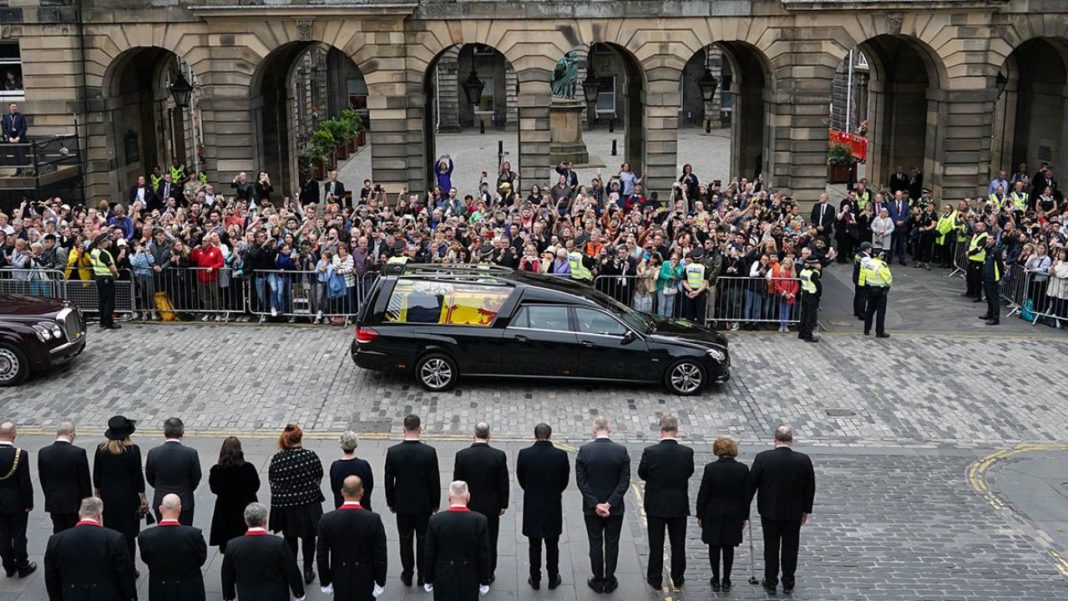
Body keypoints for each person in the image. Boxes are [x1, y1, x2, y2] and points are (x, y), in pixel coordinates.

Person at [747, 426, 816, 595]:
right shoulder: (803, 460)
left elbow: (751, 484)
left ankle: (770, 582)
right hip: (794, 512)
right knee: (791, 547)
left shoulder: (763, 458)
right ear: (791, 441)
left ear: (774, 440)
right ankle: (788, 582)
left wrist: (745, 504)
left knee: (771, 547)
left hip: (769, 511)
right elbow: (810, 487)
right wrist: (806, 510)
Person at [638, 414, 695, 590]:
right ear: (676, 430)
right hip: (678, 504)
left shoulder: (650, 452)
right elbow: (689, 472)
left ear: (661, 429)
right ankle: (678, 577)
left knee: (656, 544)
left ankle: (654, 578)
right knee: (678, 544)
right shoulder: (687, 452)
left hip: (655, 504)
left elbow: (642, 474)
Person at [575, 416, 630, 594]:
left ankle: (598, 580)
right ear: (610, 429)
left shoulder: (584, 451)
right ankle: (610, 579)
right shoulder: (621, 451)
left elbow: (581, 482)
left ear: (593, 431)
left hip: (592, 509)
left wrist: (596, 504)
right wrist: (609, 504)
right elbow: (624, 482)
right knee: (612, 543)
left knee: (595, 542)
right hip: (615, 509)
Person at [384, 414, 440, 587]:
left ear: (403, 429)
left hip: (403, 504)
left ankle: (407, 574)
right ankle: (423, 575)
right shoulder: (429, 452)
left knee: (405, 539)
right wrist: (435, 503)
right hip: (424, 505)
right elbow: (434, 481)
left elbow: (388, 481)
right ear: (419, 429)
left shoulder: (393, 452)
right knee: (424, 540)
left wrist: (391, 502)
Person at [44, 497, 137, 601]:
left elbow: (51, 579)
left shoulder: (56, 541)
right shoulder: (115, 539)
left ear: (80, 514)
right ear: (99, 515)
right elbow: (125, 576)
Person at [268, 423, 325, 585]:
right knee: (308, 538)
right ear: (300, 438)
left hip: (286, 507)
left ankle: (292, 570)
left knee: (290, 538)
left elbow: (273, 481)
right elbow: (318, 476)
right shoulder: (310, 456)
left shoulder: (277, 459)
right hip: (308, 505)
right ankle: (308, 569)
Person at [452, 421, 509, 582]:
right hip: (491, 508)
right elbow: (503, 483)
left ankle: (471, 570)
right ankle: (488, 573)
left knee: (469, 539)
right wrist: (503, 504)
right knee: (490, 540)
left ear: (474, 435)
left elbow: (458, 483)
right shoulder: (498, 456)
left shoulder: (462, 456)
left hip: (469, 506)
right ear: (489, 436)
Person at [316, 476, 387, 601]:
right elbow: (380, 554)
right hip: (365, 578)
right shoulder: (373, 520)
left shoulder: (327, 520)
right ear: (362, 492)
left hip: (339, 578)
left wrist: (325, 581)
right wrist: (380, 581)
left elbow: (322, 554)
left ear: (342, 492)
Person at [516, 422, 569, 591]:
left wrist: (531, 490)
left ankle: (536, 578)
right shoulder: (560, 455)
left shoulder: (524, 454)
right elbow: (564, 481)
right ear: (550, 435)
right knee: (553, 545)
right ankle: (553, 578)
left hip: (533, 505)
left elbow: (521, 479)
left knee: (534, 545)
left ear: (534, 435)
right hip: (552, 505)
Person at [93, 415, 147, 572]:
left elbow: (97, 475)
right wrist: (142, 497)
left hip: (108, 497)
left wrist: (97, 493)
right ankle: (130, 568)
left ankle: (113, 566)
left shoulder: (101, 449)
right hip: (128, 498)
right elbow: (138, 477)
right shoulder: (133, 450)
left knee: (111, 532)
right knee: (129, 536)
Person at [221, 502, 306, 601]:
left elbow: (227, 574)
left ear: (246, 522)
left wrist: (229, 596)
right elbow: (292, 570)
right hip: (276, 595)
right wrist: (298, 593)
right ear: (265, 520)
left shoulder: (233, 546)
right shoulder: (278, 543)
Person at [696, 436, 749, 592]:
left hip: (713, 512)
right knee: (728, 546)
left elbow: (703, 493)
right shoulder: (742, 469)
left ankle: (716, 578)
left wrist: (700, 514)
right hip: (734, 512)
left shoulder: (711, 468)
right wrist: (744, 516)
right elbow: (746, 496)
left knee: (714, 546)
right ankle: (726, 579)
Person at [423, 481, 492, 599]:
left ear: (449, 497)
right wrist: (484, 580)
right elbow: (483, 554)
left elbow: (430, 553)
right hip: (469, 576)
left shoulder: (435, 521)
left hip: (443, 577)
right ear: (468, 497)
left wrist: (428, 579)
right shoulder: (480, 521)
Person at [138, 493, 208, 601]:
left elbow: (146, 558)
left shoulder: (145, 537)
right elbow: (201, 559)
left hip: (160, 590)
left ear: (161, 509)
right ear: (179, 509)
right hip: (189, 590)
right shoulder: (194, 535)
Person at [37, 421, 92, 534]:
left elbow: (43, 479)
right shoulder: (78, 453)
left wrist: (49, 496)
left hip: (54, 502)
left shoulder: (43, 452)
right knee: (74, 533)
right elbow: (84, 482)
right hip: (74, 504)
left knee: (58, 531)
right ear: (71, 433)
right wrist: (87, 502)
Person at [146, 417, 202, 525]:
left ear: (165, 432)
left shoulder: (153, 453)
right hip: (184, 501)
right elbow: (196, 477)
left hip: (161, 500)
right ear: (182, 432)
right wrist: (187, 489)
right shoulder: (190, 453)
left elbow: (150, 477)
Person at [209, 436, 260, 553]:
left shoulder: (216, 471)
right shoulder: (248, 468)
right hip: (245, 509)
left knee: (228, 550)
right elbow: (255, 486)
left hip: (225, 512)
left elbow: (214, 489)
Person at [0, 422, 33, 579]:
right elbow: (24, 481)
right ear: (13, 434)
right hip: (16, 502)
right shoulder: (20, 454)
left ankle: (8, 567)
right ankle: (22, 565)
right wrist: (28, 503)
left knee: (3, 535)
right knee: (19, 535)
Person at [329, 431, 375, 511]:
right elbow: (369, 486)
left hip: (342, 508)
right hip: (363, 507)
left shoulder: (335, 466)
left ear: (341, 446)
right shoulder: (364, 465)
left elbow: (334, 488)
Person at [860, 250, 893, 338]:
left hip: (870, 288)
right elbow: (888, 279)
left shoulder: (868, 263)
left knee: (869, 310)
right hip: (880, 290)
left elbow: (863, 275)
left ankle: (866, 329)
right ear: (881, 256)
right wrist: (888, 285)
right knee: (881, 312)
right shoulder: (882, 265)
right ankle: (879, 332)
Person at [90, 232, 120, 330]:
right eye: (106, 240)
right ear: (101, 242)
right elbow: (113, 268)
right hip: (107, 278)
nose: (108, 242)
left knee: (102, 301)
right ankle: (109, 323)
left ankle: (102, 321)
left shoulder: (94, 251)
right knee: (109, 302)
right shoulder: (103, 253)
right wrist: (116, 274)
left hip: (98, 278)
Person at [979, 235, 1005, 326]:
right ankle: (989, 313)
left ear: (994, 240)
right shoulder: (987, 249)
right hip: (986, 276)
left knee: (994, 298)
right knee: (988, 296)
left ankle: (995, 318)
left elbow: (1000, 265)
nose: (988, 240)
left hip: (993, 277)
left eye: (990, 239)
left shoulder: (996, 251)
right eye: (987, 239)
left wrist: (1000, 276)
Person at [797, 258, 821, 343]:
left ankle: (801, 333)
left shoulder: (803, 271)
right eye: (817, 263)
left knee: (804, 314)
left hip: (805, 294)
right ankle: (808, 335)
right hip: (812, 295)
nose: (819, 265)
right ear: (813, 264)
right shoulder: (813, 273)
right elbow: (818, 286)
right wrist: (818, 297)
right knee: (811, 317)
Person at [964, 222, 989, 301]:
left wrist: (969, 253)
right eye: (976, 225)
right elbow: (971, 244)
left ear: (983, 227)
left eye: (979, 225)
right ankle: (970, 291)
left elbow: (979, 248)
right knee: (969, 277)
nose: (976, 226)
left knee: (977, 279)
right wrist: (967, 251)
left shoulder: (984, 236)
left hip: (978, 260)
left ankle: (977, 296)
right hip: (972, 259)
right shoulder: (976, 234)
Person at [2, 103, 27, 175]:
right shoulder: (6, 117)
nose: (14, 108)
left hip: (20, 138)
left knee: (21, 155)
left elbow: (24, 127)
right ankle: (18, 170)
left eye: (15, 106)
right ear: (9, 108)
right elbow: (5, 128)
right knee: (15, 156)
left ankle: (24, 171)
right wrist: (9, 137)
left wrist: (18, 137)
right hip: (11, 139)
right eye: (12, 107)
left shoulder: (21, 116)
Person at [851, 241, 872, 319]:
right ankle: (861, 314)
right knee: (862, 297)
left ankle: (856, 311)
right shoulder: (866, 258)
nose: (871, 249)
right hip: (862, 279)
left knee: (857, 295)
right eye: (870, 248)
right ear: (866, 249)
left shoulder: (858, 255)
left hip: (857, 277)